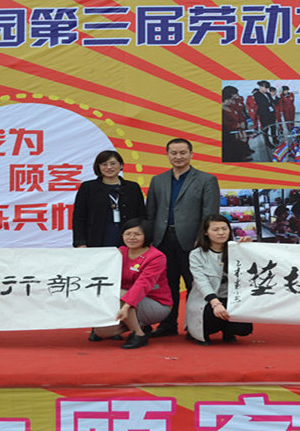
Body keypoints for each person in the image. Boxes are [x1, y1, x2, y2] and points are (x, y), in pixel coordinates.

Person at [145, 138, 220, 337]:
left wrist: (202, 239)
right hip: (162, 240)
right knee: (167, 284)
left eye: (183, 152)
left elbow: (210, 214)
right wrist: (150, 239)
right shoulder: (157, 180)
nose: (178, 157)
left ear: (191, 154)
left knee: (194, 284)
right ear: (167, 155)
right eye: (174, 153)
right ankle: (167, 325)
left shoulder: (206, 180)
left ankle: (194, 326)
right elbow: (150, 213)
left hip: (192, 241)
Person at [90, 219, 172, 349]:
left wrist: (126, 306)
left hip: (155, 303)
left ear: (146, 236)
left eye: (137, 234)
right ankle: (140, 325)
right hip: (123, 300)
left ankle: (138, 334)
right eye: (128, 234)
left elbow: (143, 284)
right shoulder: (120, 252)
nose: (132, 238)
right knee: (102, 332)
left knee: (120, 294)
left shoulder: (156, 257)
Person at [186, 214, 254, 345]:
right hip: (207, 299)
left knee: (243, 328)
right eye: (215, 230)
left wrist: (249, 249)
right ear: (205, 232)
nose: (221, 233)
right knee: (209, 317)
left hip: (231, 298)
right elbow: (201, 282)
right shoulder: (196, 254)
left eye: (224, 229)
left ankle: (228, 330)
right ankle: (200, 330)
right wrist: (215, 303)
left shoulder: (237, 249)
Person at [73, 150, 146, 248]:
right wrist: (80, 243)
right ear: (98, 167)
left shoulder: (132, 187)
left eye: (113, 163)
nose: (109, 167)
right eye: (104, 164)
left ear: (121, 165)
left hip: (129, 240)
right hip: (96, 239)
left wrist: (144, 240)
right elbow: (79, 217)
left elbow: (141, 215)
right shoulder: (88, 187)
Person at [253, 80, 277, 147]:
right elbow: (262, 104)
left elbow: (273, 102)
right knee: (265, 129)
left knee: (273, 127)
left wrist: (275, 98)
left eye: (267, 88)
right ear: (260, 87)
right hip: (264, 114)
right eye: (265, 88)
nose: (267, 90)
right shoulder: (256, 95)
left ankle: (274, 139)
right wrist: (270, 103)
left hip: (271, 113)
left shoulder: (268, 94)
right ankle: (267, 142)